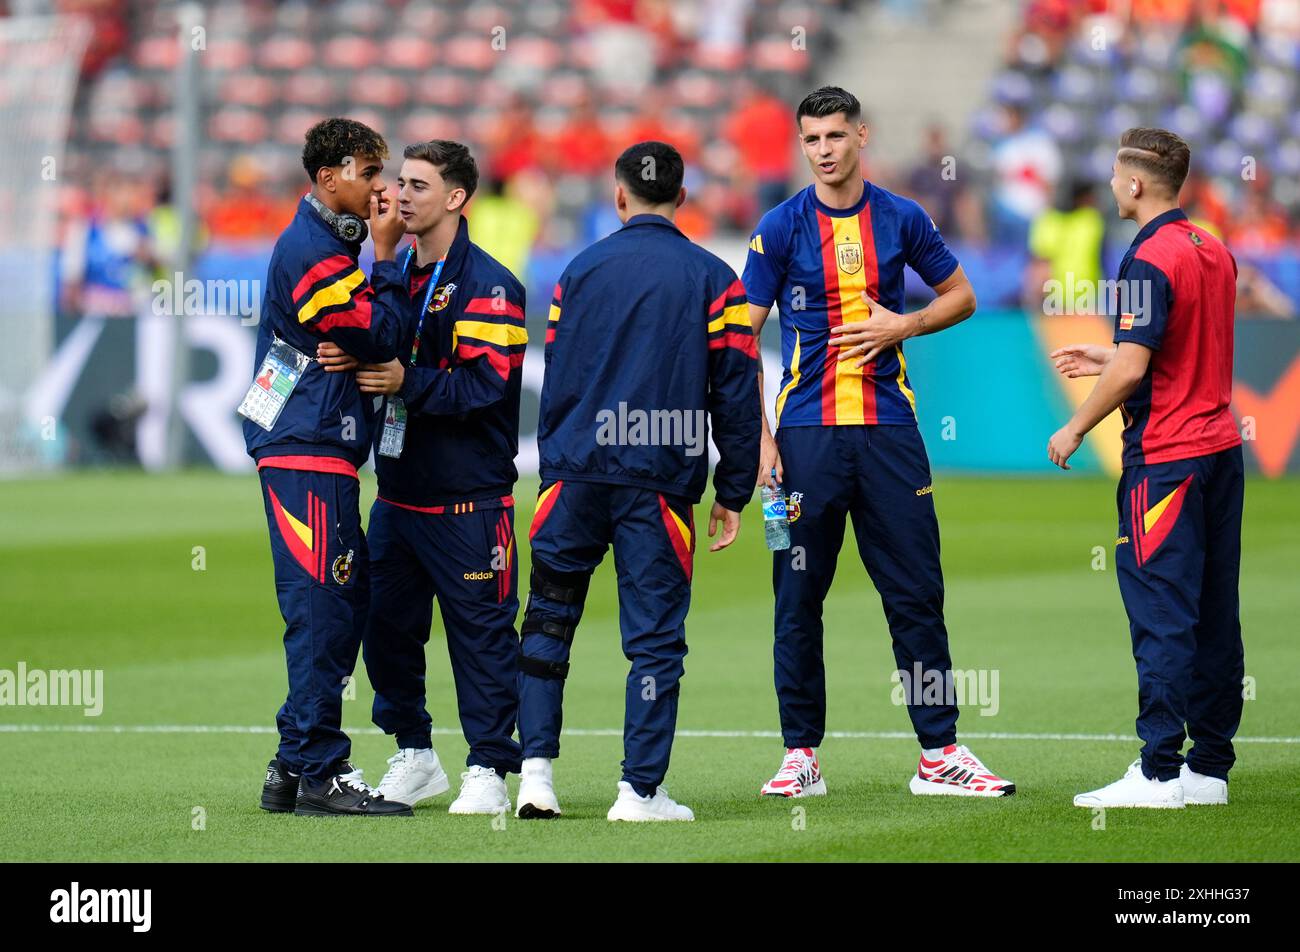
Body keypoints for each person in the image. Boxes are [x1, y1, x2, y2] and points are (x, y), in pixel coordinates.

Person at [744, 86, 1015, 799]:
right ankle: (800, 755)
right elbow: (738, 340)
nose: (825, 150)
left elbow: (961, 296)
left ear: (861, 136)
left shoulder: (902, 216)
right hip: (804, 441)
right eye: (812, 140)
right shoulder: (779, 228)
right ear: (803, 145)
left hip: (892, 434)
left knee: (916, 594)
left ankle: (940, 753)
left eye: (836, 136)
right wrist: (759, 442)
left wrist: (905, 325)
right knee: (796, 597)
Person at [514, 141, 761, 822]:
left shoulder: (578, 271)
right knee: (653, 638)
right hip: (659, 480)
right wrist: (733, 489)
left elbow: (557, 378)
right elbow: (736, 393)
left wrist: (564, 457)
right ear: (683, 199)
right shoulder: (716, 278)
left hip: (575, 473)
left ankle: (534, 776)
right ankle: (639, 792)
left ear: (618, 196)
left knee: (547, 621)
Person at [318, 140, 528, 815]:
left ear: (458, 198)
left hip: (469, 502)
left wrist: (410, 379)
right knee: (382, 628)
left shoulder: (490, 284)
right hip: (399, 496)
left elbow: (489, 386)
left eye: (418, 185)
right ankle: (414, 750)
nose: (400, 195)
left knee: (482, 637)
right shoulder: (394, 274)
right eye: (399, 182)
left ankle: (490, 765)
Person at [1048, 128, 1245, 809]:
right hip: (1220, 451)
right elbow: (1184, 348)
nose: (1109, 185)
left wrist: (1075, 424)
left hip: (1167, 459)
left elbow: (1138, 366)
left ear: (1135, 184)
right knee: (1216, 609)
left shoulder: (1147, 257)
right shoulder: (1211, 248)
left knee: (1162, 609)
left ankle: (1158, 772)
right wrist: (1112, 354)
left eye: (1114, 175)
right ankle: (1209, 768)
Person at [243, 117, 412, 817]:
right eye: (371, 174)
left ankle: (291, 765)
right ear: (329, 178)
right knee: (324, 606)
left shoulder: (321, 243)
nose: (383, 190)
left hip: (313, 439)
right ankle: (321, 773)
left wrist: (360, 320)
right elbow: (374, 332)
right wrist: (382, 258)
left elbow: (358, 333)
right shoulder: (315, 251)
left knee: (339, 600)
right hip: (307, 443)